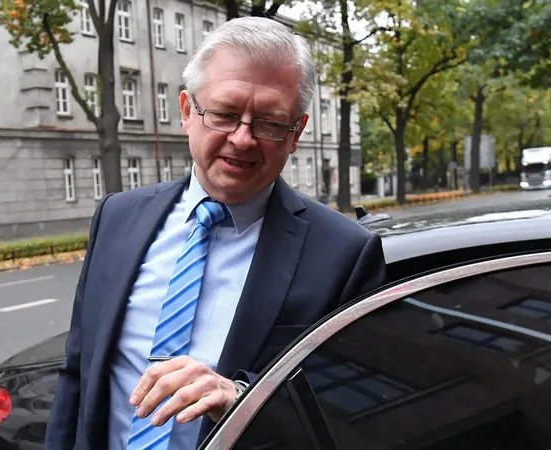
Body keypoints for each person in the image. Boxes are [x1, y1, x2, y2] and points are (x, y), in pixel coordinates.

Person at [44, 17, 387, 450]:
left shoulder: (345, 255)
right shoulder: (117, 218)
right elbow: (77, 375)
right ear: (188, 112)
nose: (243, 139)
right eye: (225, 114)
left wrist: (245, 400)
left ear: (296, 133)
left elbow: (353, 409)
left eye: (269, 123)